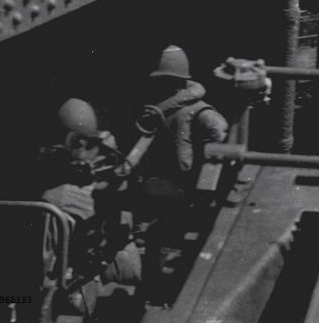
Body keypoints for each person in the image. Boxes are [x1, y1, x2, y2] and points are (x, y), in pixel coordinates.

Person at [136, 45, 227, 302]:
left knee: (165, 241)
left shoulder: (197, 111)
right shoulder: (161, 108)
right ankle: (155, 289)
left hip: (179, 187)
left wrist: (206, 163)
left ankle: (161, 292)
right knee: (156, 241)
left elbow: (219, 131)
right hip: (164, 183)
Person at [39, 98, 141, 291]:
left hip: (81, 286)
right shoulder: (112, 177)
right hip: (123, 264)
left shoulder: (56, 199)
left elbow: (45, 267)